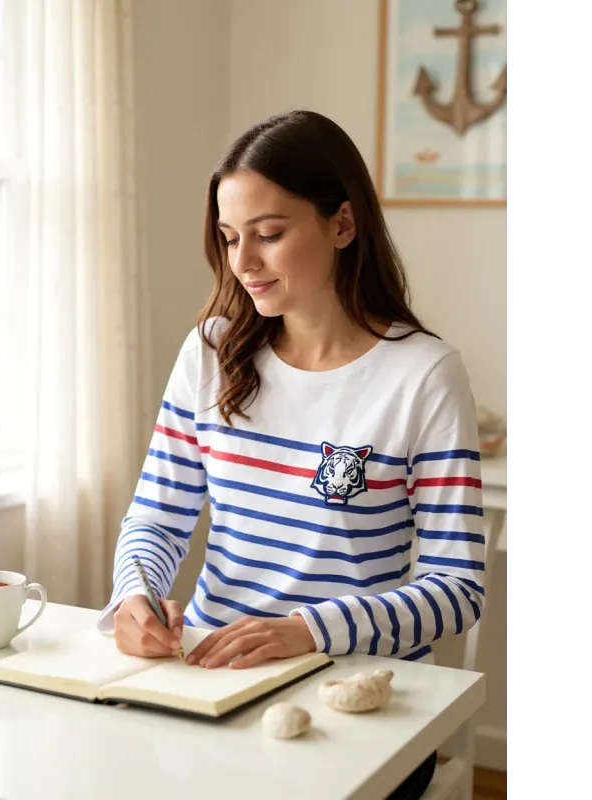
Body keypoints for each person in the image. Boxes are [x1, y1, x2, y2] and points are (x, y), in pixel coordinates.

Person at [97, 110, 485, 800]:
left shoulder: (423, 376)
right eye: (229, 237)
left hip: (357, 694)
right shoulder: (211, 352)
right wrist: (136, 595)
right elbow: (156, 518)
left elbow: (457, 588)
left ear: (342, 225)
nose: (242, 262)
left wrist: (308, 630)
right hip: (211, 675)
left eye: (269, 234)